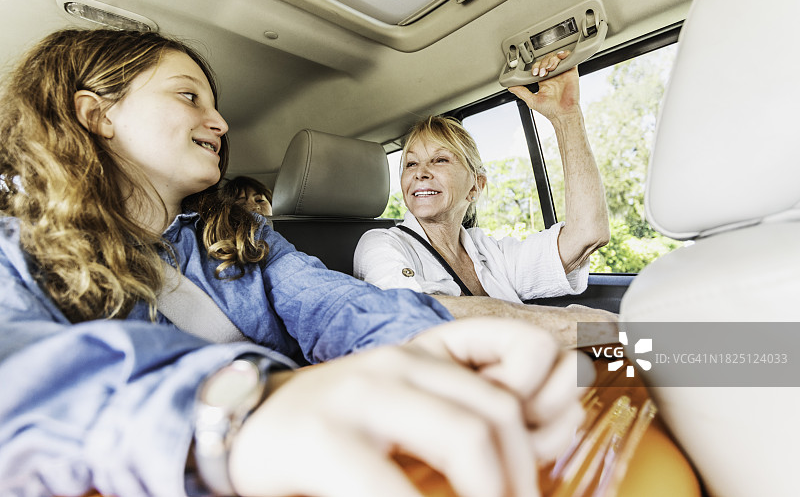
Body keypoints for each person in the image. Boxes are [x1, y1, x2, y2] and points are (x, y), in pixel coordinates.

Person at [0, 28, 588, 496]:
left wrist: (427, 344)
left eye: (214, 104)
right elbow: (21, 378)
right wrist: (238, 409)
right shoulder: (13, 254)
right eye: (188, 96)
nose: (221, 123)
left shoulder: (240, 237)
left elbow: (338, 306)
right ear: (97, 115)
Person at [354, 52, 613, 345]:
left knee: (655, 347)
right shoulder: (380, 244)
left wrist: (567, 116)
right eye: (411, 164)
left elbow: (588, 234)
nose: (420, 173)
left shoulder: (489, 252)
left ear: (475, 187)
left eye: (439, 160)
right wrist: (564, 324)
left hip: (520, 377)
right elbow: (411, 315)